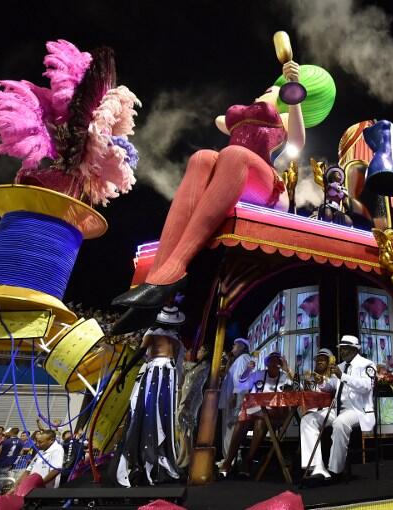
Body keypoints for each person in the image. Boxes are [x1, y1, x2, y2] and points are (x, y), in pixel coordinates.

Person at [111, 60, 335, 334]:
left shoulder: (285, 116)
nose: (267, 90)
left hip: (267, 186)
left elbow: (297, 142)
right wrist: (261, 101)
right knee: (202, 157)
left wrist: (293, 93)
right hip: (235, 174)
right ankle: (156, 283)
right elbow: (221, 121)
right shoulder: (250, 113)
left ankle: (175, 268)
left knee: (233, 155)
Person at [115, 306, 185, 486]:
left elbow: (140, 352)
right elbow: (177, 363)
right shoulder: (176, 339)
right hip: (169, 375)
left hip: (155, 372)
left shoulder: (152, 332)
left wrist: (123, 373)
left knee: (145, 411)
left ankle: (145, 461)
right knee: (162, 415)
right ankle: (159, 461)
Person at [300, 335, 375, 482]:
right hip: (338, 409)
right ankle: (317, 468)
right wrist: (322, 382)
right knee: (308, 419)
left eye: (344, 348)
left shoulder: (367, 364)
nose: (341, 351)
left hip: (358, 410)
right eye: (341, 349)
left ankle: (335, 471)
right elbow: (332, 386)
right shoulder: (340, 367)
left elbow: (366, 387)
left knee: (340, 423)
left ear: (354, 349)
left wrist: (343, 376)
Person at [218, 352, 292, 478]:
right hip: (254, 413)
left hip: (274, 415)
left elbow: (293, 388)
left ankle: (247, 461)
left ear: (280, 364)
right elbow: (242, 384)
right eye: (271, 361)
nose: (274, 364)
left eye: (277, 361)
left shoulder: (284, 377)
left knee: (260, 421)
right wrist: (248, 369)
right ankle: (228, 461)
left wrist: (288, 370)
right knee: (243, 421)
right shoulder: (258, 374)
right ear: (266, 363)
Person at [218, 338, 254, 463]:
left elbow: (241, 379)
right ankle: (230, 459)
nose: (232, 347)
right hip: (232, 398)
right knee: (230, 429)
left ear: (242, 347)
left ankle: (230, 460)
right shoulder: (239, 360)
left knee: (231, 429)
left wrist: (234, 395)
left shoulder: (243, 358)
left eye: (235, 345)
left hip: (234, 399)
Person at [176, 344, 210, 469]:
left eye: (201, 350)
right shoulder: (196, 365)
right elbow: (184, 365)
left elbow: (196, 384)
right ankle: (182, 455)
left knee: (187, 426)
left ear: (206, 352)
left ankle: (189, 456)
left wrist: (188, 399)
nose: (198, 352)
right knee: (181, 425)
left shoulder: (204, 366)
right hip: (186, 396)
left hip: (192, 397)